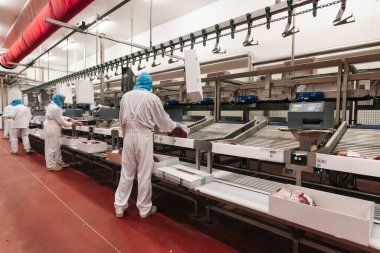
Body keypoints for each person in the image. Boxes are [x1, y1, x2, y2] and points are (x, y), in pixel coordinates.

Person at [114, 72, 180, 219]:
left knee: (126, 173)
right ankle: (144, 209)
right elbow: (163, 121)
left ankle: (119, 206)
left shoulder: (126, 96)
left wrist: (126, 138)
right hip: (143, 136)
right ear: (150, 85)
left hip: (128, 136)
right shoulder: (152, 98)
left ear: (137, 83)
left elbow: (121, 120)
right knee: (144, 173)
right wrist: (175, 125)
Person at [44, 94, 78, 171]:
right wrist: (71, 123)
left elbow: (58, 116)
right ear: (59, 99)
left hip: (50, 126)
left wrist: (68, 118)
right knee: (52, 146)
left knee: (56, 145)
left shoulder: (51, 105)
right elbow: (60, 120)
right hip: (52, 127)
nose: (63, 102)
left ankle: (58, 162)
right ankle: (51, 165)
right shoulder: (56, 108)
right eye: (62, 100)